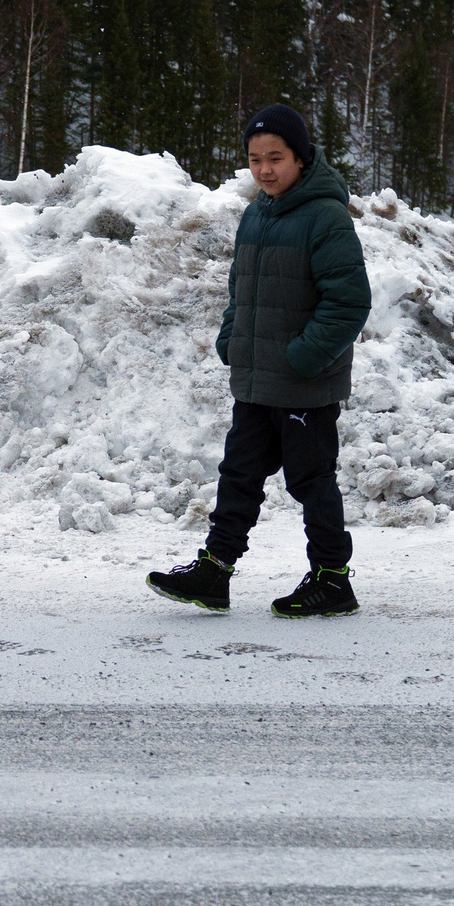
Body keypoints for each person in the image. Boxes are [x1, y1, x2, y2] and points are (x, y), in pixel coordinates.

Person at [148, 104, 372, 618]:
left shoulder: (326, 216)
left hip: (304, 382)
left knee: (311, 480)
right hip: (254, 376)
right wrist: (232, 339)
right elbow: (239, 290)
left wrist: (304, 358)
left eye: (276, 158)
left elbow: (349, 302)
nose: (265, 169)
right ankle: (215, 571)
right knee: (239, 475)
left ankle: (333, 579)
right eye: (255, 159)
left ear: (300, 157)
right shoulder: (258, 212)